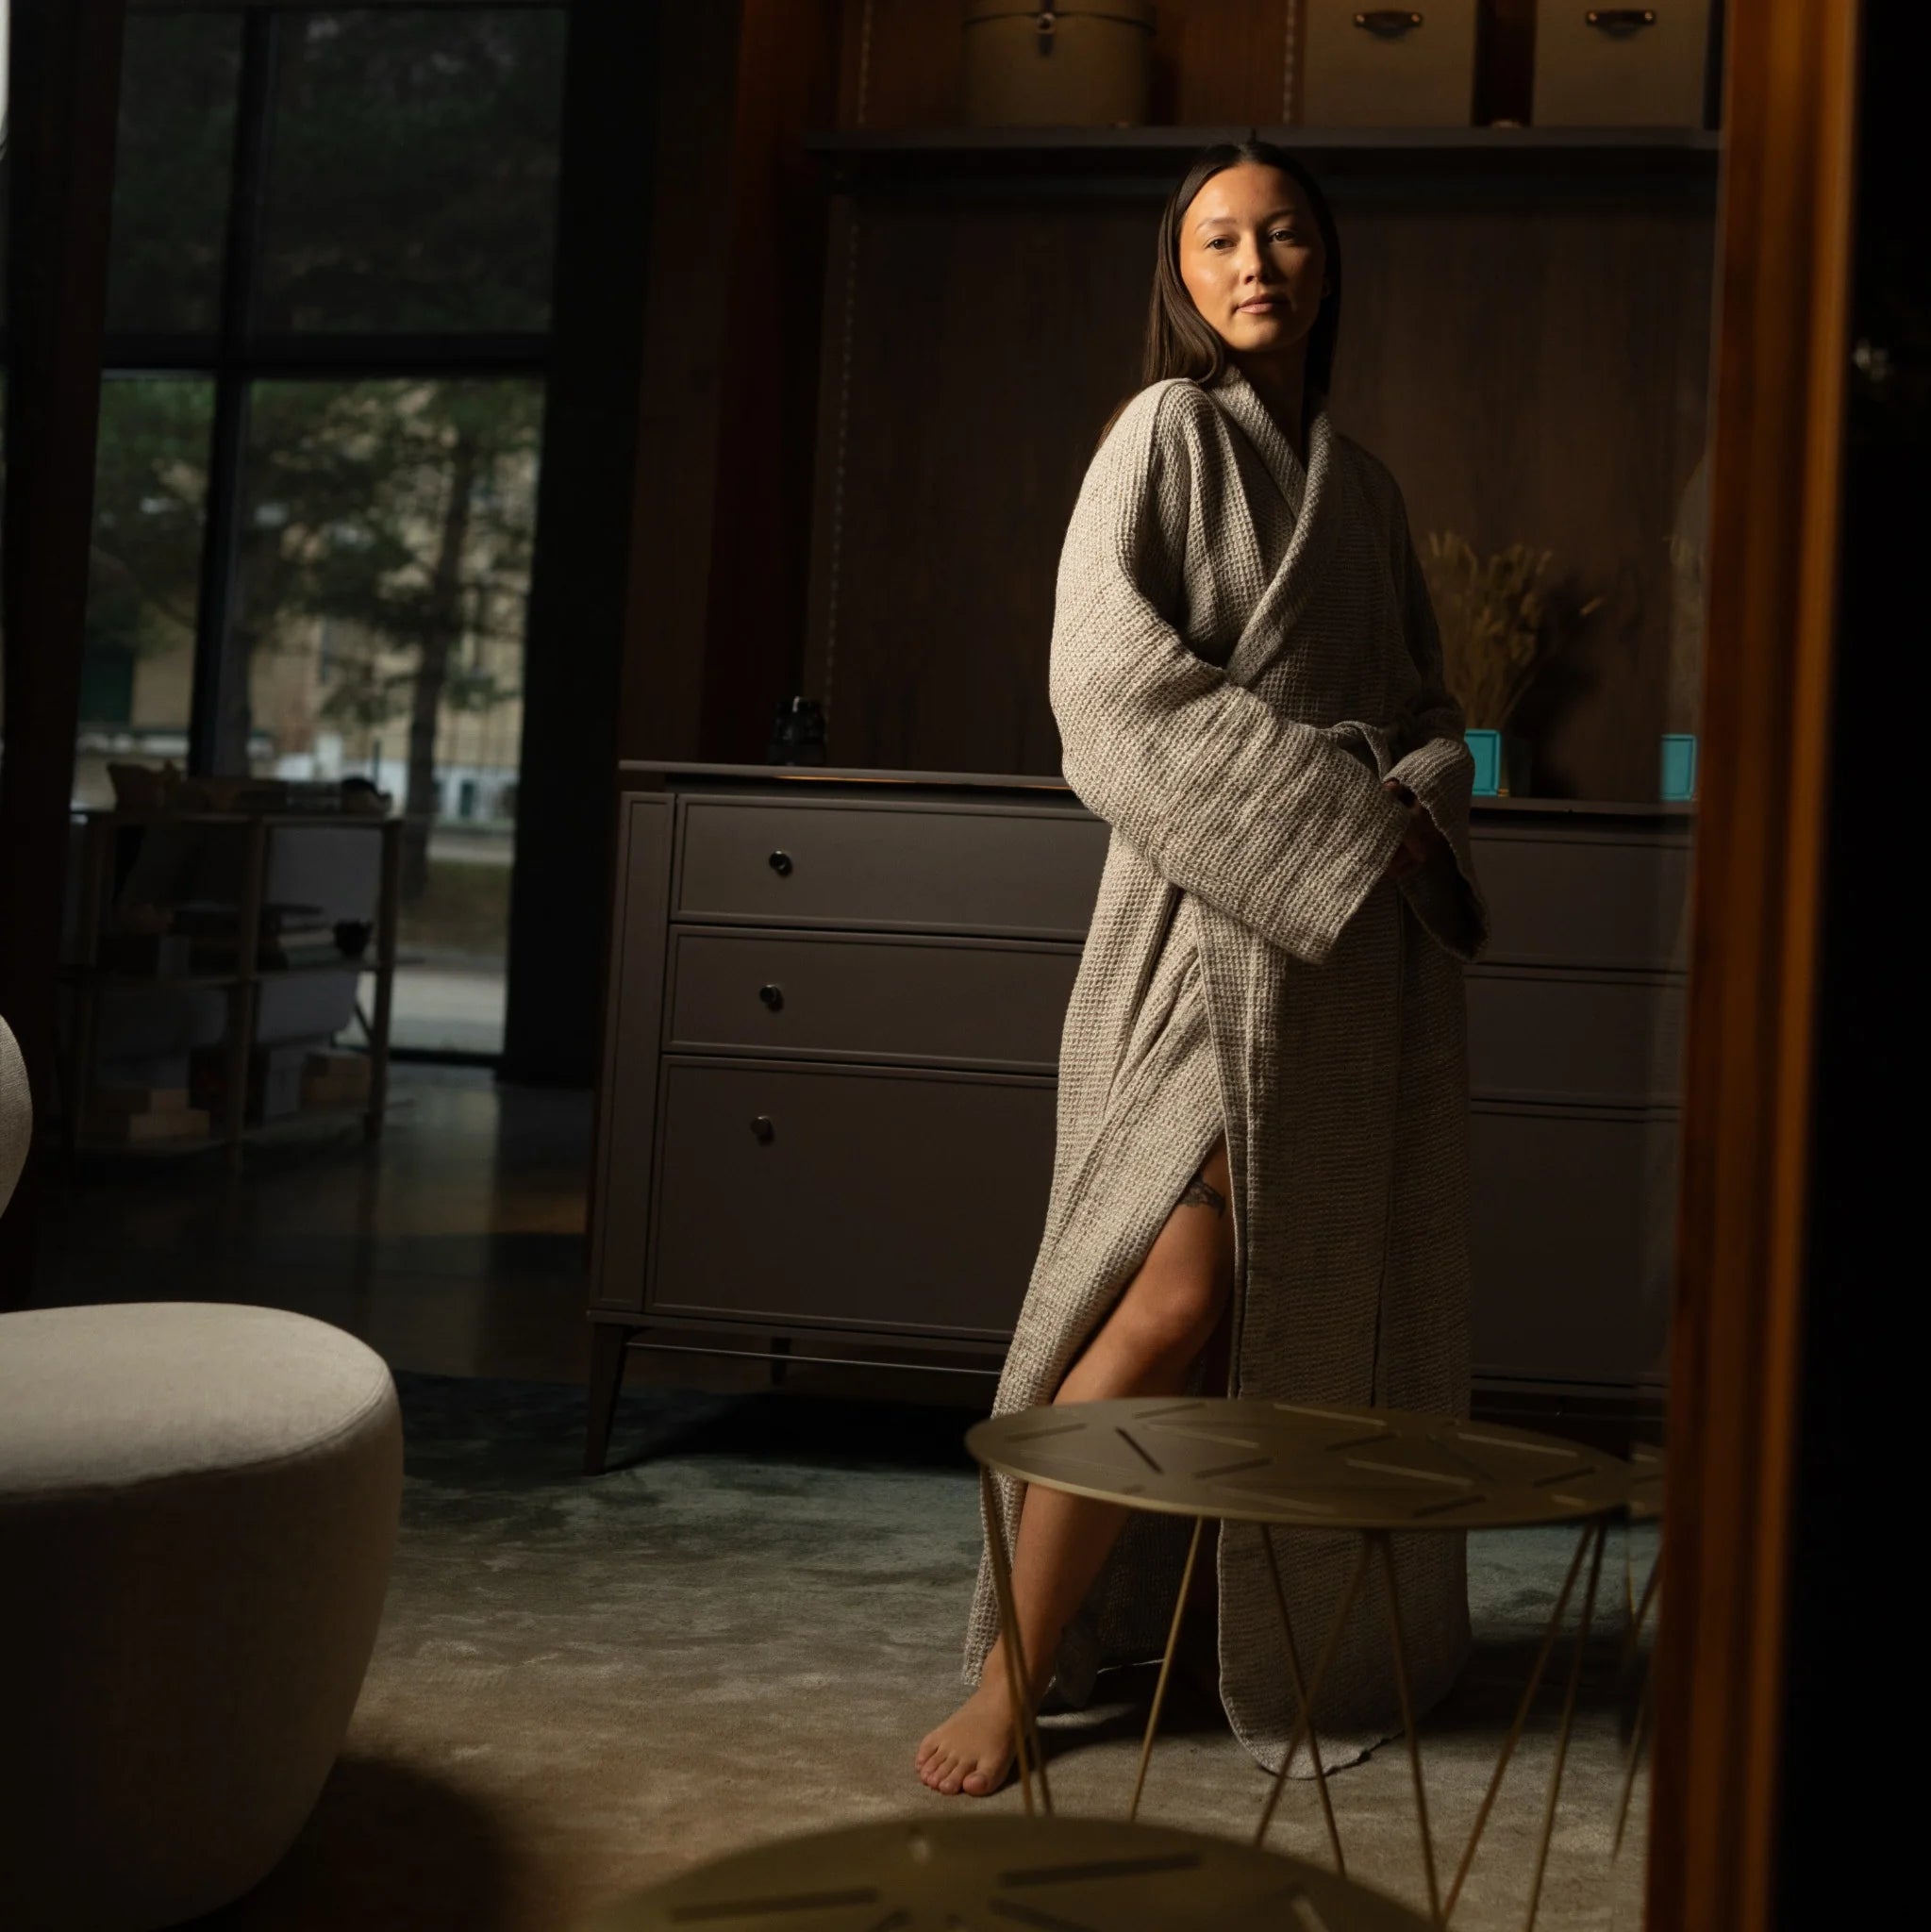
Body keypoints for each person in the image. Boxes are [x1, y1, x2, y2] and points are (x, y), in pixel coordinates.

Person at [916, 141, 1486, 1798]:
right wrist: (1330, 819)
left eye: (1285, 233)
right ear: (1180, 274)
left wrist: (1416, 802)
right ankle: (1020, 1673)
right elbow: (1105, 691)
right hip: (1200, 929)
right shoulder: (1161, 439)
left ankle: (1213, 1628)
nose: (1256, 265)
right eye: (1220, 239)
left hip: (1352, 954)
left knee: (1283, 1313)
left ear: (1328, 263)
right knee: (1163, 1301)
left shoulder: (1362, 492)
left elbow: (1436, 715)